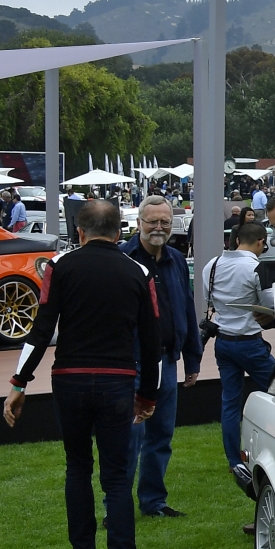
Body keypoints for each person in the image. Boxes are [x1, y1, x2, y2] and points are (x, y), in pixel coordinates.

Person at [2, 197, 161, 549]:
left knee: (77, 467)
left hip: (69, 378)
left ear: (79, 232)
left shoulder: (59, 266)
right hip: (117, 380)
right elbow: (152, 341)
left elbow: (41, 329)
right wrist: (148, 395)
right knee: (117, 476)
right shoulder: (139, 272)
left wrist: (19, 383)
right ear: (120, 232)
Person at [121, 196, 202, 519]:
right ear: (138, 222)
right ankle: (118, 506)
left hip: (167, 362)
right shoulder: (123, 259)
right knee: (129, 438)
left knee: (161, 437)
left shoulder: (176, 260)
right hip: (132, 363)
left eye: (165, 222)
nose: (158, 227)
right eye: (152, 221)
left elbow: (186, 309)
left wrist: (192, 359)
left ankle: (153, 502)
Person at [208, 219, 275, 504]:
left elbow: (210, 298)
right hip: (249, 342)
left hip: (223, 341)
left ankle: (233, 459)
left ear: (237, 240)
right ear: (260, 242)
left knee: (230, 402)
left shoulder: (211, 265)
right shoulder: (256, 268)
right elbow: (269, 304)